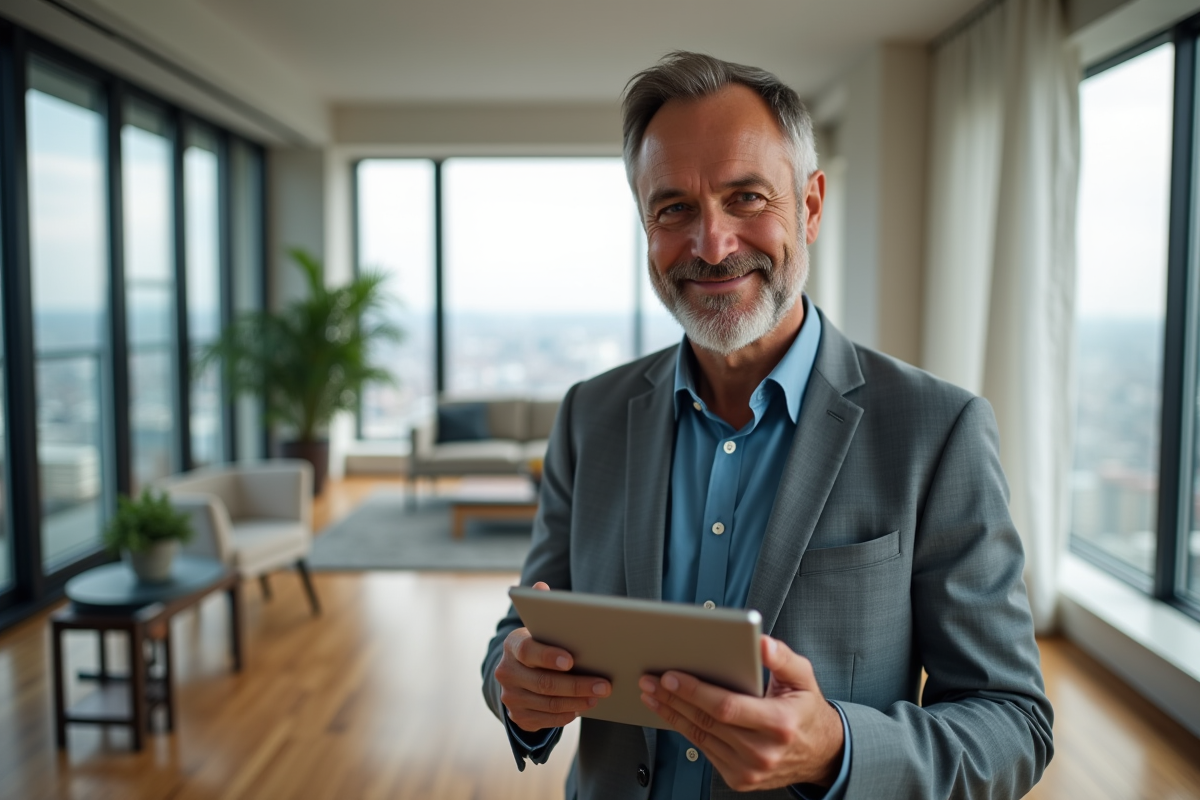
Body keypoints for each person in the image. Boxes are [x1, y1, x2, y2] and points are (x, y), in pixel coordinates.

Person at [481, 51, 1053, 800]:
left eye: (746, 197)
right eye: (673, 209)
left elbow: (1012, 723)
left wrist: (836, 750)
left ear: (809, 206)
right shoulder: (591, 414)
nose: (712, 245)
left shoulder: (938, 431)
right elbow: (527, 627)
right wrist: (516, 686)